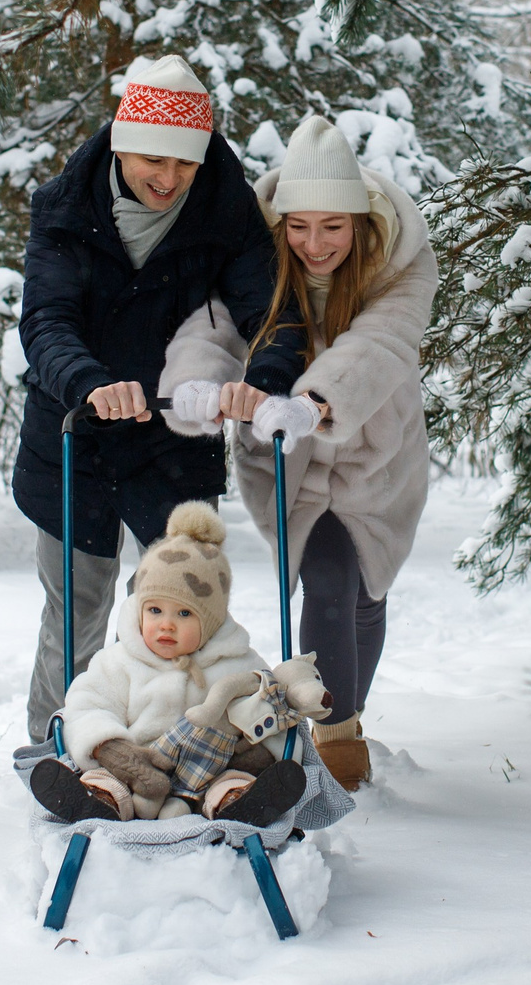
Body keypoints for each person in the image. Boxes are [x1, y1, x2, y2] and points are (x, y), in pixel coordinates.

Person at [13, 55, 304, 743]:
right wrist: (89, 381)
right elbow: (45, 320)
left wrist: (261, 377)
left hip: (174, 438)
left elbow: (274, 309)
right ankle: (61, 746)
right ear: (120, 141)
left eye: (185, 165)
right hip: (74, 429)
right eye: (152, 159)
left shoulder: (226, 211)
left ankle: (181, 748)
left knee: (181, 606)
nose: (168, 179)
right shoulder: (64, 209)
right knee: (78, 606)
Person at [158, 114, 436, 790]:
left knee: (368, 590)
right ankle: (334, 739)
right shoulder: (254, 251)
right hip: (291, 461)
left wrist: (315, 401)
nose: (314, 245)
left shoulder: (400, 260)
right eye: (300, 227)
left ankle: (347, 710)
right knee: (329, 579)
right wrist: (197, 381)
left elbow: (382, 343)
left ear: (361, 222)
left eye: (332, 227)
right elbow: (216, 321)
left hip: (375, 445)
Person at [26, 503, 307, 827]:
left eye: (184, 613)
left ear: (212, 621)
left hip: (210, 774)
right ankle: (97, 802)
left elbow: (268, 710)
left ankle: (241, 802)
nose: (166, 625)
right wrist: (111, 747)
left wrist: (254, 752)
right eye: (155, 611)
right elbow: (88, 705)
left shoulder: (237, 662)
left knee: (233, 781)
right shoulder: (119, 661)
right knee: (104, 780)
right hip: (133, 772)